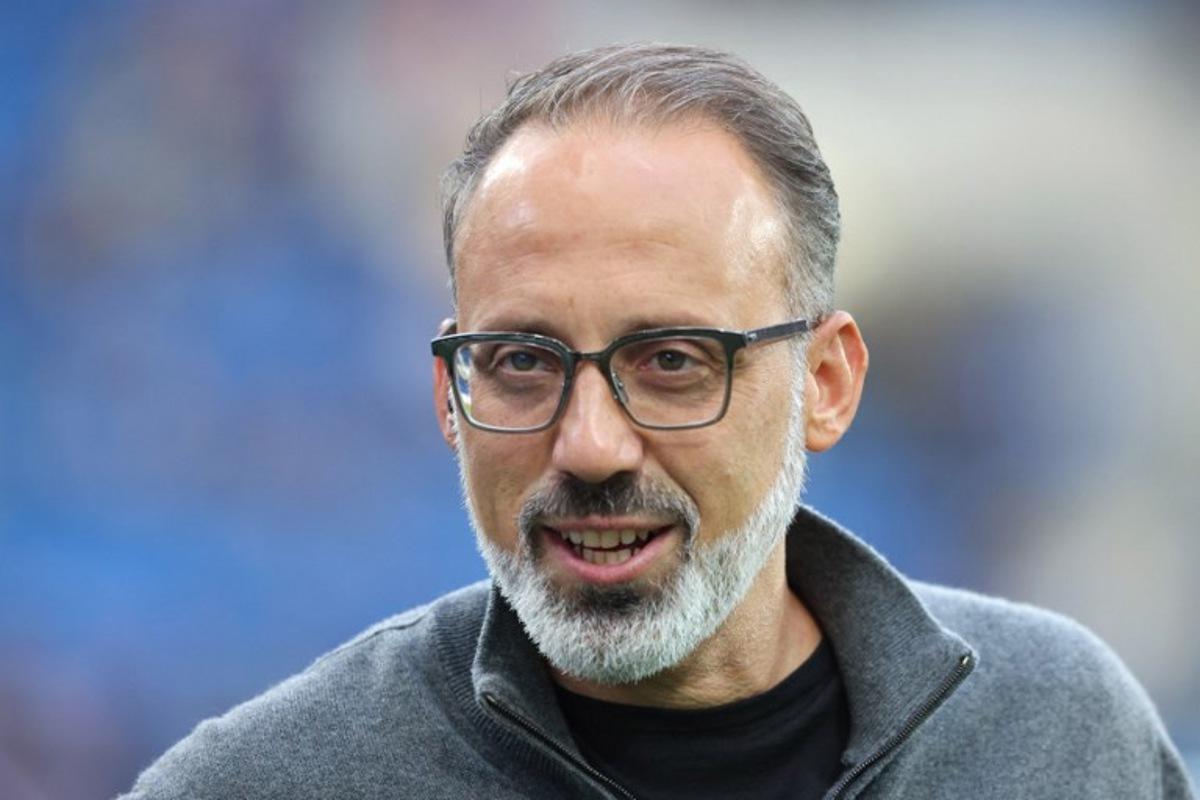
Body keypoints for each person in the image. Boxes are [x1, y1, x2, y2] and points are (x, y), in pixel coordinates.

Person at [120, 43, 1194, 800]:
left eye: (674, 361)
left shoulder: (1065, 734)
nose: (590, 445)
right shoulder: (263, 784)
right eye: (522, 362)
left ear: (826, 381)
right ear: (449, 394)